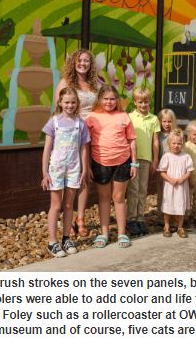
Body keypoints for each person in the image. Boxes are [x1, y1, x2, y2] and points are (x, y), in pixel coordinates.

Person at [41, 87, 91, 257]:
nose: (70, 105)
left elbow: (84, 148)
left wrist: (84, 169)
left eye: (73, 102)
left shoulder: (80, 124)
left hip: (73, 169)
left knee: (69, 205)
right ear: (60, 103)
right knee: (56, 205)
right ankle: (52, 242)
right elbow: (47, 149)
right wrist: (45, 172)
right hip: (56, 169)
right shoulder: (53, 122)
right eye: (67, 102)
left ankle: (66, 238)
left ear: (77, 103)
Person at [85, 85, 137, 248]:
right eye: (106, 99)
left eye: (112, 99)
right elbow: (86, 144)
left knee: (119, 198)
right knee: (104, 198)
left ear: (117, 100)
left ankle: (122, 234)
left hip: (123, 161)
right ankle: (104, 234)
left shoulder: (124, 116)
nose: (109, 102)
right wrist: (87, 165)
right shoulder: (92, 117)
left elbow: (132, 140)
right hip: (100, 162)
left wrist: (134, 163)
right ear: (100, 99)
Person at [54, 49, 98, 238]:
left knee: (84, 175)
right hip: (71, 135)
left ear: (91, 64)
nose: (83, 64)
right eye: (79, 60)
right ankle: (67, 217)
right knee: (69, 177)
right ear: (73, 62)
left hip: (91, 135)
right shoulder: (65, 83)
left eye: (86, 61)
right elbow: (58, 110)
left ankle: (80, 218)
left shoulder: (94, 84)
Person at [126, 87, 160, 236]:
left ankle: (140, 218)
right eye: (140, 102)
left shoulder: (154, 119)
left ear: (149, 102)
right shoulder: (129, 117)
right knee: (133, 189)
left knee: (143, 189)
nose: (143, 105)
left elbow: (155, 141)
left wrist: (155, 158)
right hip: (133, 158)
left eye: (146, 102)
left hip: (146, 158)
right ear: (135, 102)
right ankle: (131, 219)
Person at [156, 129, 194, 238]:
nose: (176, 146)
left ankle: (180, 227)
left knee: (180, 206)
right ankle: (166, 226)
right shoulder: (166, 156)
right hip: (170, 186)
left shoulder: (186, 156)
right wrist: (170, 179)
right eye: (174, 143)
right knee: (168, 206)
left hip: (181, 186)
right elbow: (162, 171)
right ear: (169, 143)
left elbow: (189, 171)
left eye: (179, 143)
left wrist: (183, 179)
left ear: (182, 144)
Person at [155, 109, 177, 216]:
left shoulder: (175, 135)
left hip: (173, 168)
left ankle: (173, 214)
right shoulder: (157, 135)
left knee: (172, 191)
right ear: (160, 121)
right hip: (161, 168)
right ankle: (161, 213)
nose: (167, 124)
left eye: (169, 121)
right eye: (164, 121)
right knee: (161, 190)